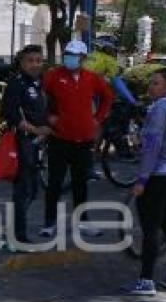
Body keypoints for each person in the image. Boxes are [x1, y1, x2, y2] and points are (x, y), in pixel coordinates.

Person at [123, 68, 166, 295]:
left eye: (156, 83)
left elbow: (152, 148)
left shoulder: (160, 109)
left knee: (151, 228)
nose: (151, 87)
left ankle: (146, 280)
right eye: (151, 83)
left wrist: (142, 179)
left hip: (158, 176)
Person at [40, 40, 115, 238]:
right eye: (67, 54)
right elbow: (39, 98)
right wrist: (47, 117)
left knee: (80, 183)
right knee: (54, 183)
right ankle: (49, 222)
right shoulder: (53, 76)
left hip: (83, 140)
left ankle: (83, 222)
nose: (70, 58)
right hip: (59, 139)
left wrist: (98, 118)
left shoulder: (91, 78)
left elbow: (107, 97)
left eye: (74, 55)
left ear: (82, 58)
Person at [2, 45, 50, 245]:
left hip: (38, 143)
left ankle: (11, 230)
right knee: (24, 190)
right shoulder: (17, 83)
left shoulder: (40, 82)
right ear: (21, 62)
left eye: (39, 60)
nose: (35, 64)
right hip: (23, 142)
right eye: (31, 60)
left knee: (32, 190)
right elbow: (11, 114)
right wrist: (35, 130)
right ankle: (17, 236)